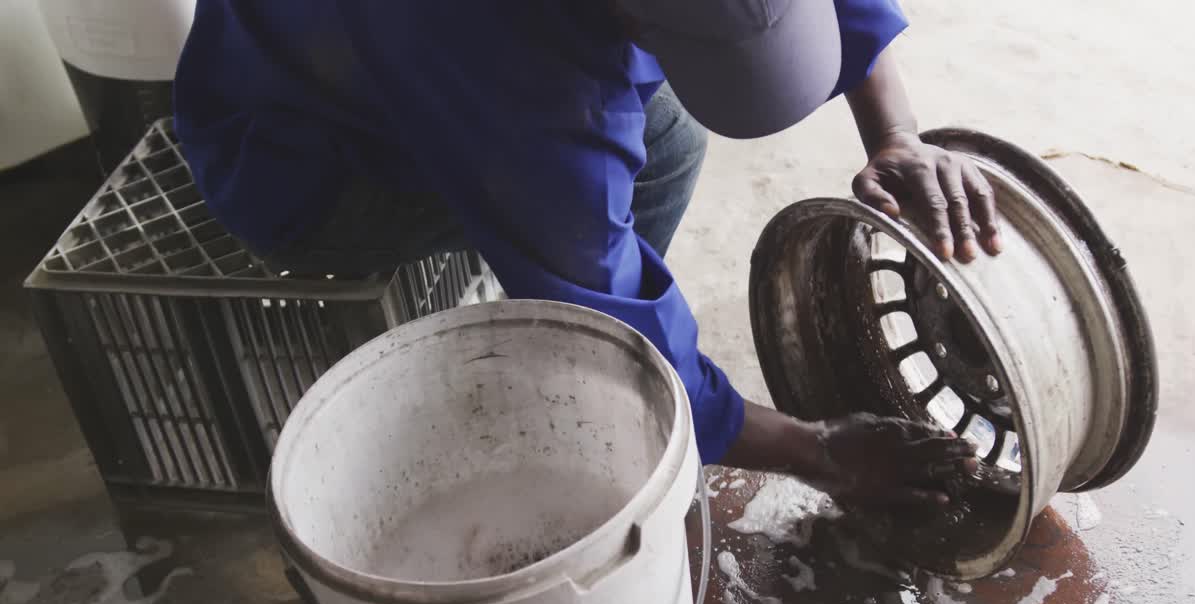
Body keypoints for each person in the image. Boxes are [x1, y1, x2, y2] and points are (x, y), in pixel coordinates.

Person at [174, 0, 1000, 507]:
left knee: (652, 131)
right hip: (296, 154)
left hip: (360, 44)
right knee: (662, 146)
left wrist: (896, 134)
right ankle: (573, 351)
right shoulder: (504, 60)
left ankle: (579, 311)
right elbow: (595, 275)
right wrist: (815, 451)